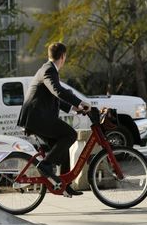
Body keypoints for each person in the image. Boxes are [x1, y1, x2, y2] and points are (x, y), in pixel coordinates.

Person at [17, 42, 91, 197]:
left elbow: (55, 96)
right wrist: (80, 102)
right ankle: (45, 165)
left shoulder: (47, 69)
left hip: (37, 117)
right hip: (38, 118)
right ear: (63, 56)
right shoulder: (49, 70)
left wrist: (74, 108)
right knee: (70, 134)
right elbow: (57, 91)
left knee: (62, 149)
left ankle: (64, 185)